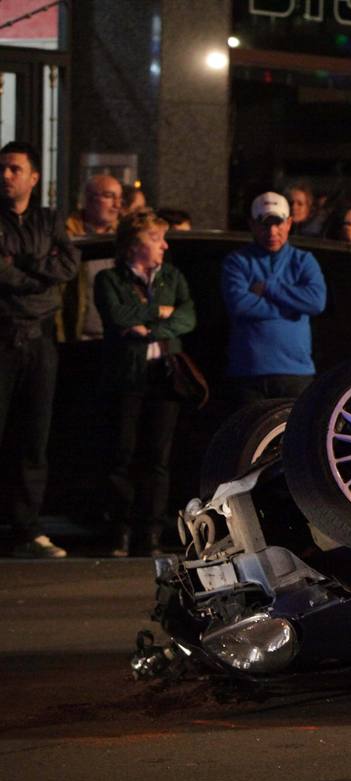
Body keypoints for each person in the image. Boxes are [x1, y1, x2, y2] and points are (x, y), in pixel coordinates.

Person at [94, 210, 196, 556]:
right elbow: (117, 316)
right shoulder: (110, 279)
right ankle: (119, 531)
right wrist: (158, 311)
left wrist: (150, 328)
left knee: (157, 456)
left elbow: (187, 317)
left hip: (163, 376)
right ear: (134, 245)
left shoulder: (172, 277)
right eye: (156, 239)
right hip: (127, 376)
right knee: (121, 453)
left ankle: (150, 533)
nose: (164, 246)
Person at [0, 140, 80, 558]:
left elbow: (67, 266)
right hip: (3, 335)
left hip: (39, 340)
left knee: (34, 438)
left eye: (15, 169)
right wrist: (36, 273)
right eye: (3, 168)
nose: (6, 175)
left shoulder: (49, 220)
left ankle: (27, 528)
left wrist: (21, 265)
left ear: (33, 176)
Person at [219, 191, 327, 407]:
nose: (272, 231)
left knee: (294, 438)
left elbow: (316, 302)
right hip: (249, 373)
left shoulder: (304, 261)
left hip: (296, 373)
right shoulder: (237, 262)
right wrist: (292, 309)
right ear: (252, 224)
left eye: (278, 224)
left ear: (289, 223)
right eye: (264, 224)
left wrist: (269, 288)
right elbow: (239, 304)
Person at [63, 175, 122, 343]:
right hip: (78, 339)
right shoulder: (66, 237)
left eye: (119, 198)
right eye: (110, 196)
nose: (117, 205)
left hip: (118, 339)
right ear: (88, 198)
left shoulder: (125, 238)